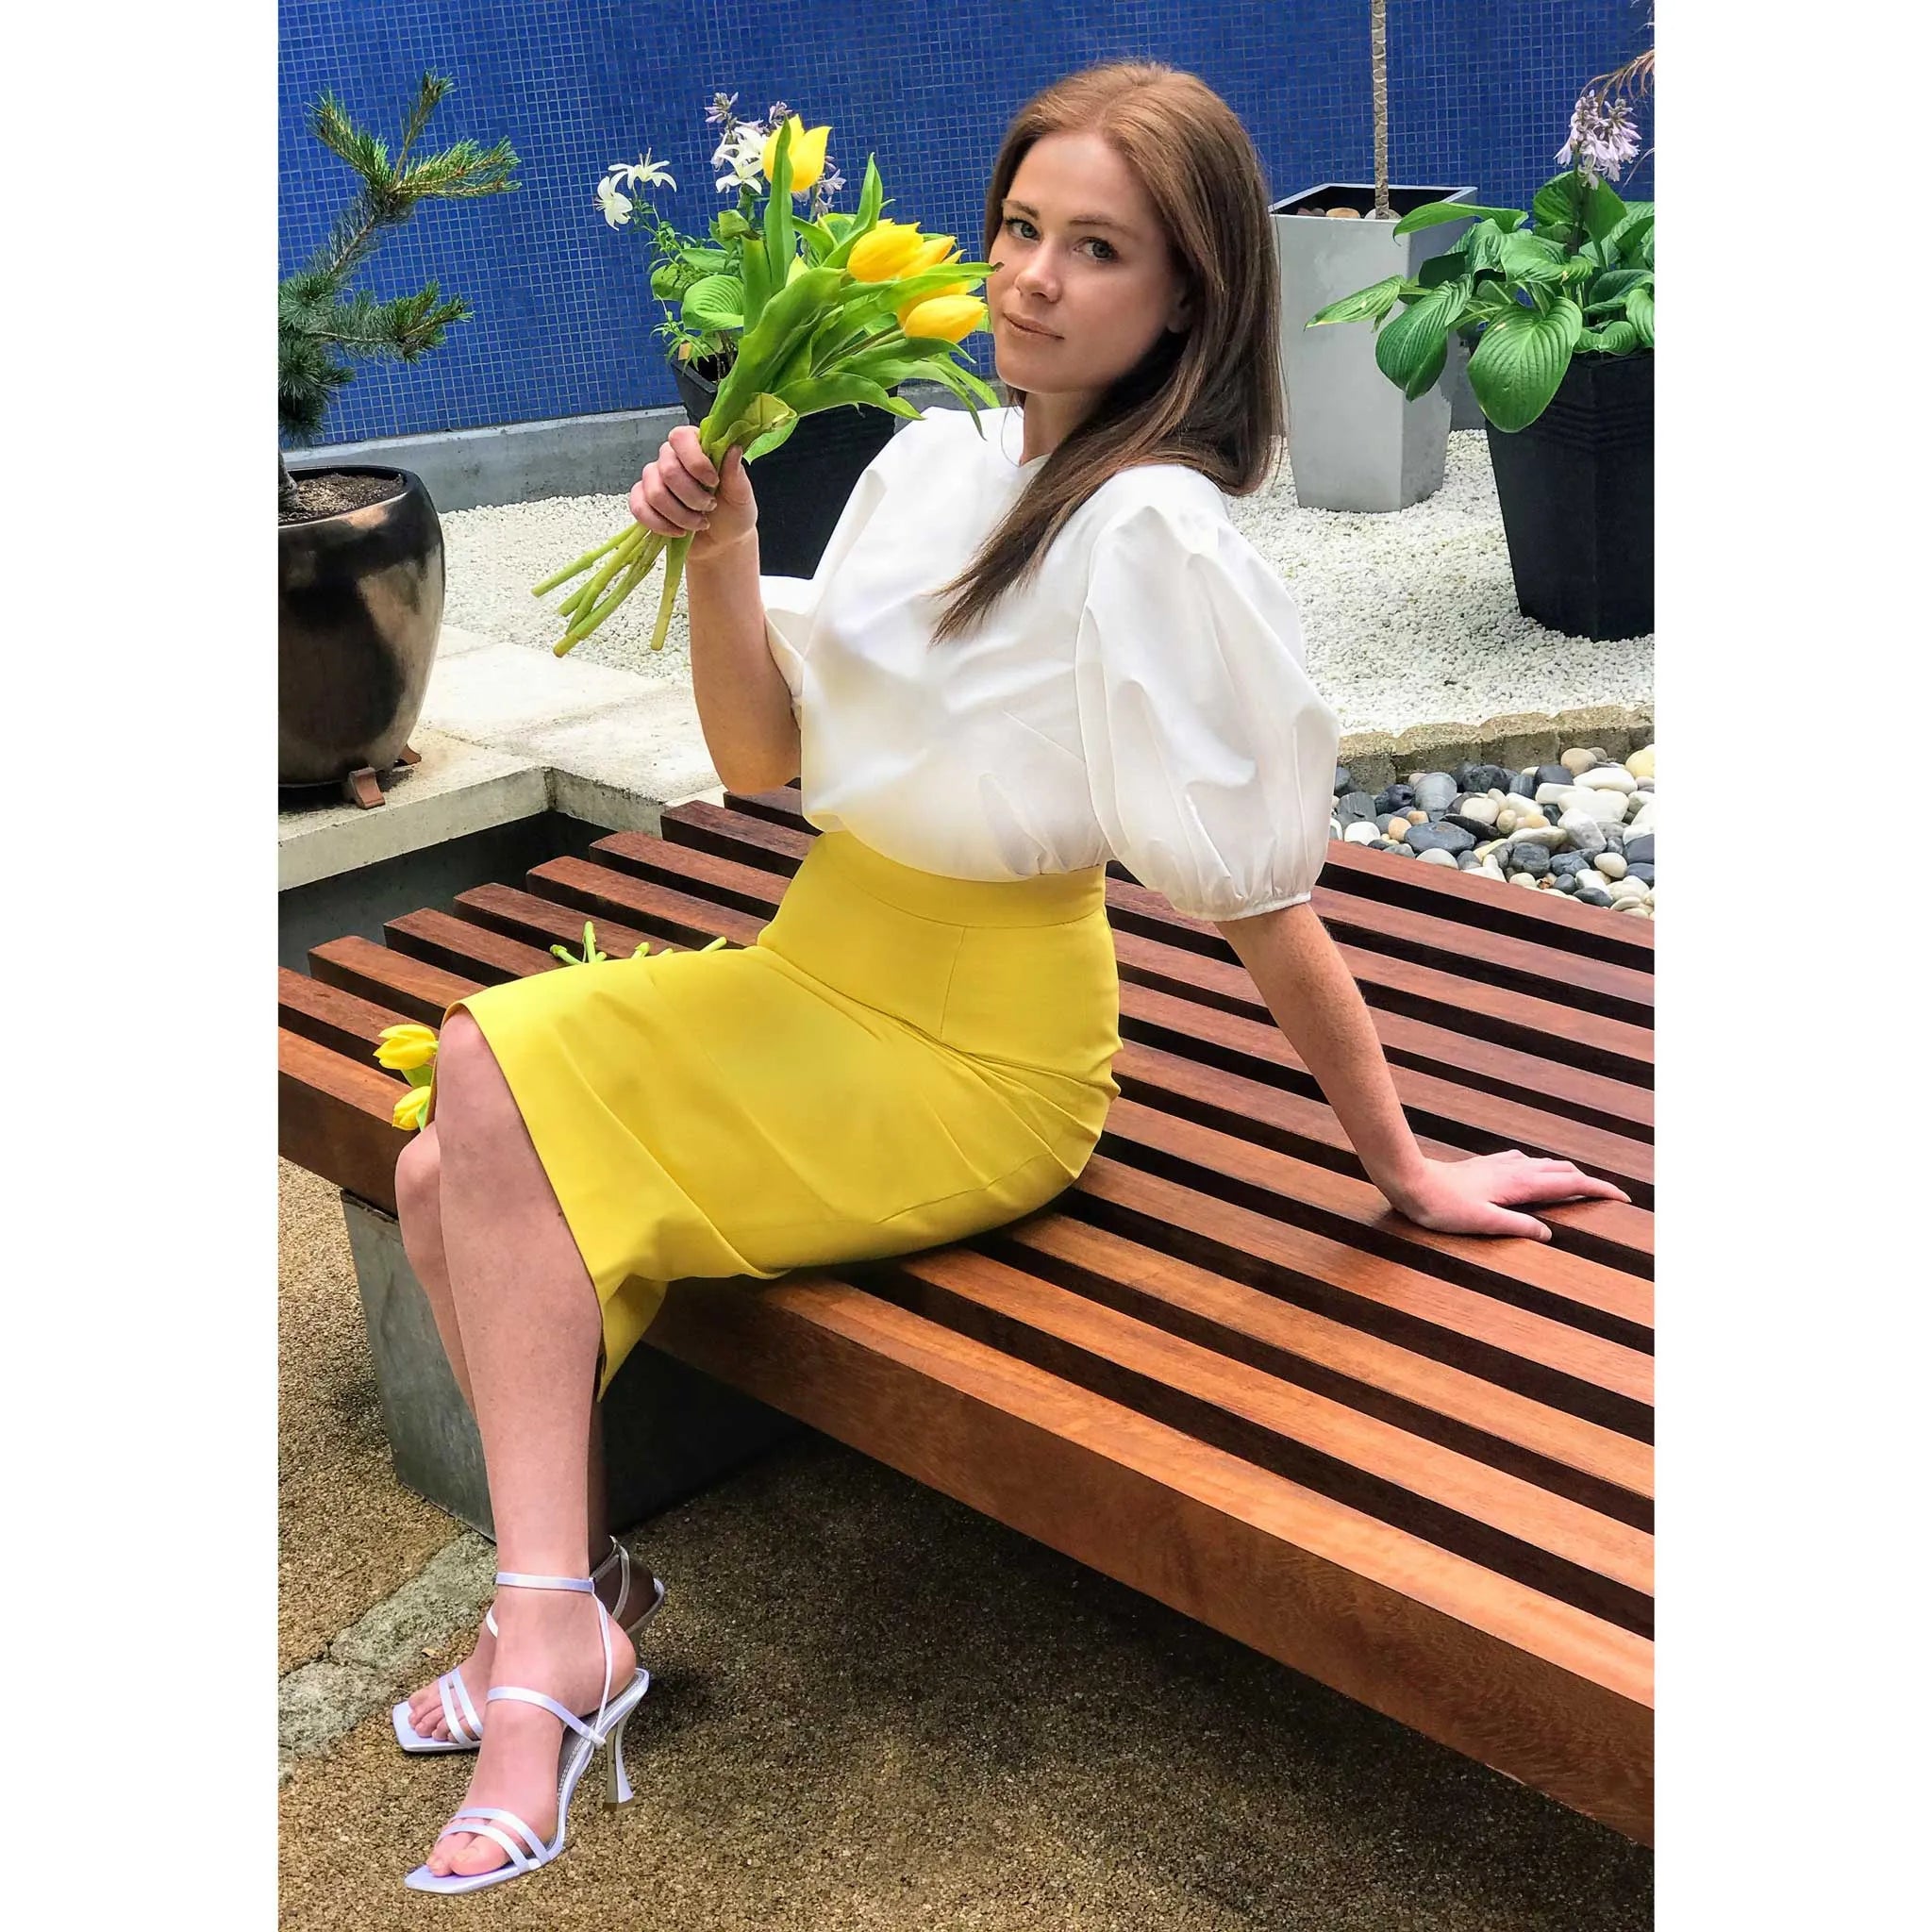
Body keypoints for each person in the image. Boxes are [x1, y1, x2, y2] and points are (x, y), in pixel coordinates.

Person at [388, 58, 1631, 1893]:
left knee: (491, 1061)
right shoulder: (932, 462)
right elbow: (761, 767)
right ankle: (577, 1603)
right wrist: (727, 552)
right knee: (441, 1167)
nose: (1034, 277)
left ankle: (547, 1643)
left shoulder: (1150, 532)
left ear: (1189, 299)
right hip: (816, 976)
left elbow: (1261, 897)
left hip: (978, 1059)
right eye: (1021, 228)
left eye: (1098, 248)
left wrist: (1404, 1164)